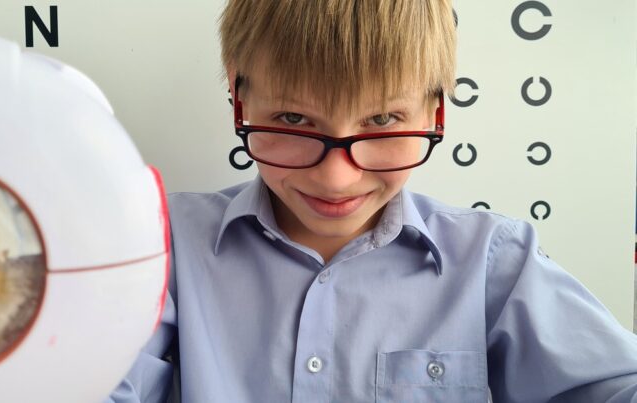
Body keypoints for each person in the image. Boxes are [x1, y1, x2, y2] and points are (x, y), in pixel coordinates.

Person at [107, 0, 637, 401]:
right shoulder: (164, 244)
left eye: (382, 120)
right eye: (293, 119)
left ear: (435, 113)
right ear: (239, 100)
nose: (337, 178)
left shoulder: (495, 261)